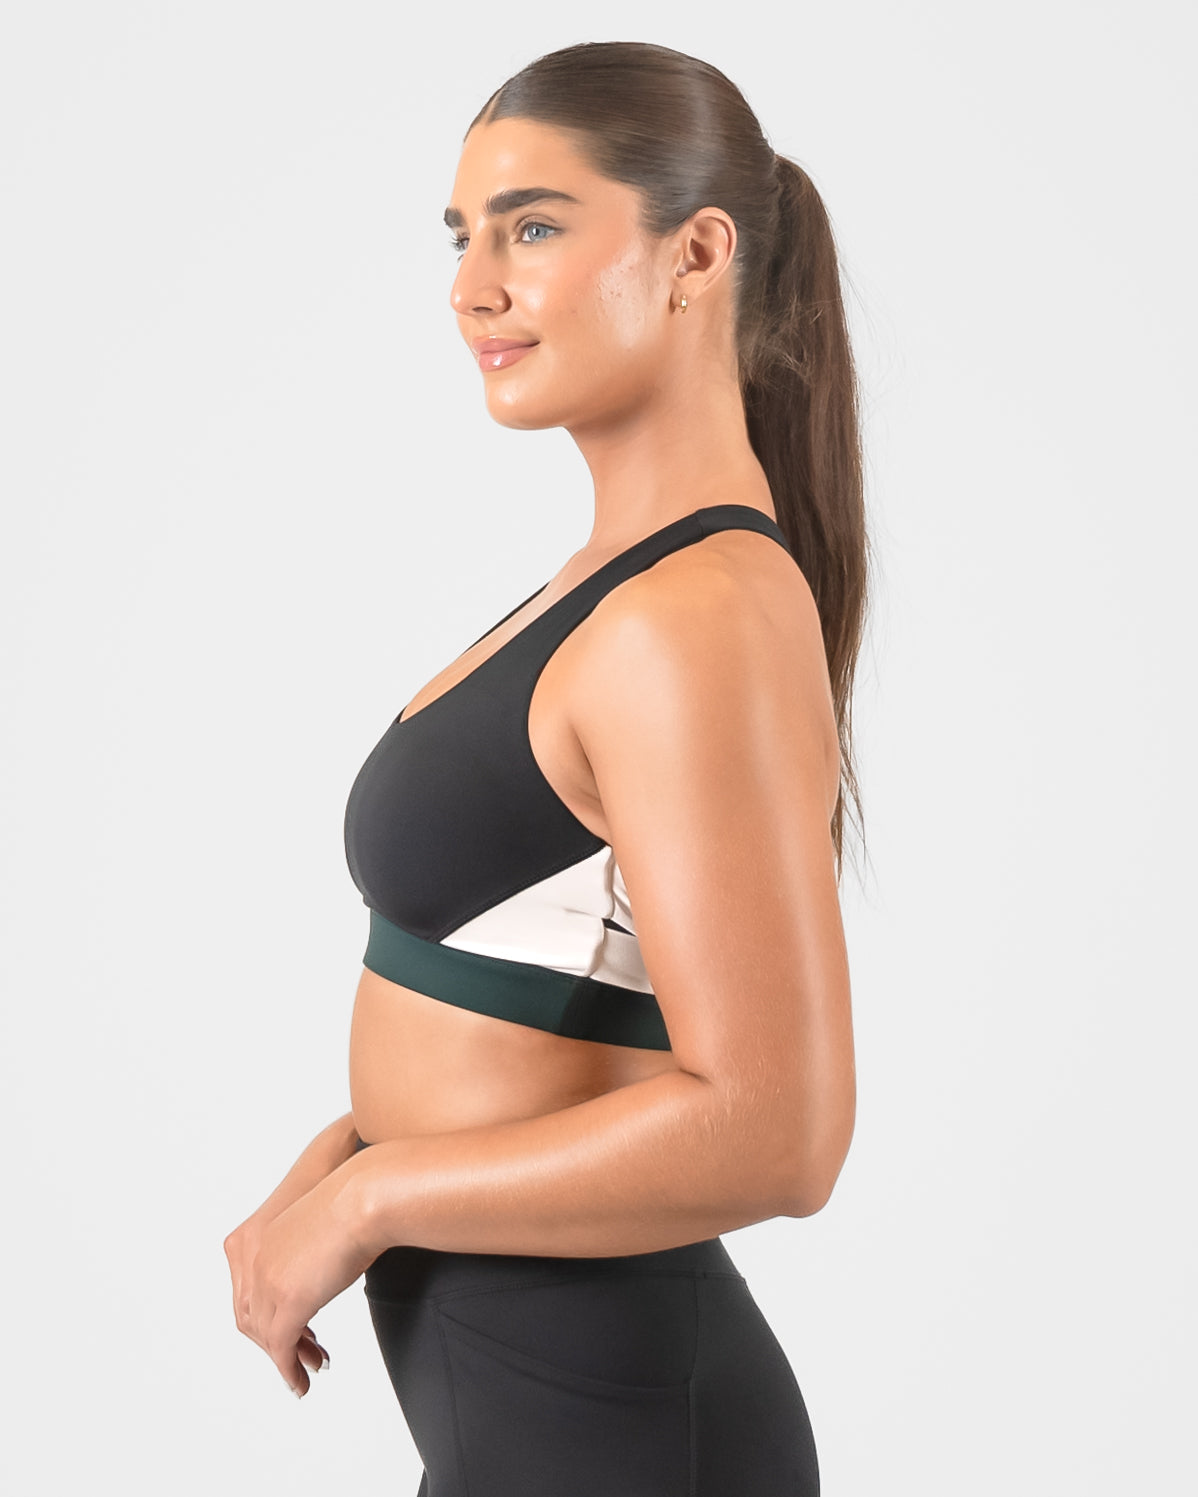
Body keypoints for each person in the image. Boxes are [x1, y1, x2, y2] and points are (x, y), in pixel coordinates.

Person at [224, 39, 866, 1497]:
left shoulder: (694, 615)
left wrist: (375, 1197)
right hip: (538, 1420)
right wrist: (344, 1156)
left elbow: (780, 1131)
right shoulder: (612, 588)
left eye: (530, 228)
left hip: (618, 1432)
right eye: (461, 235)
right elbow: (539, 996)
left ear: (695, 254)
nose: (471, 287)